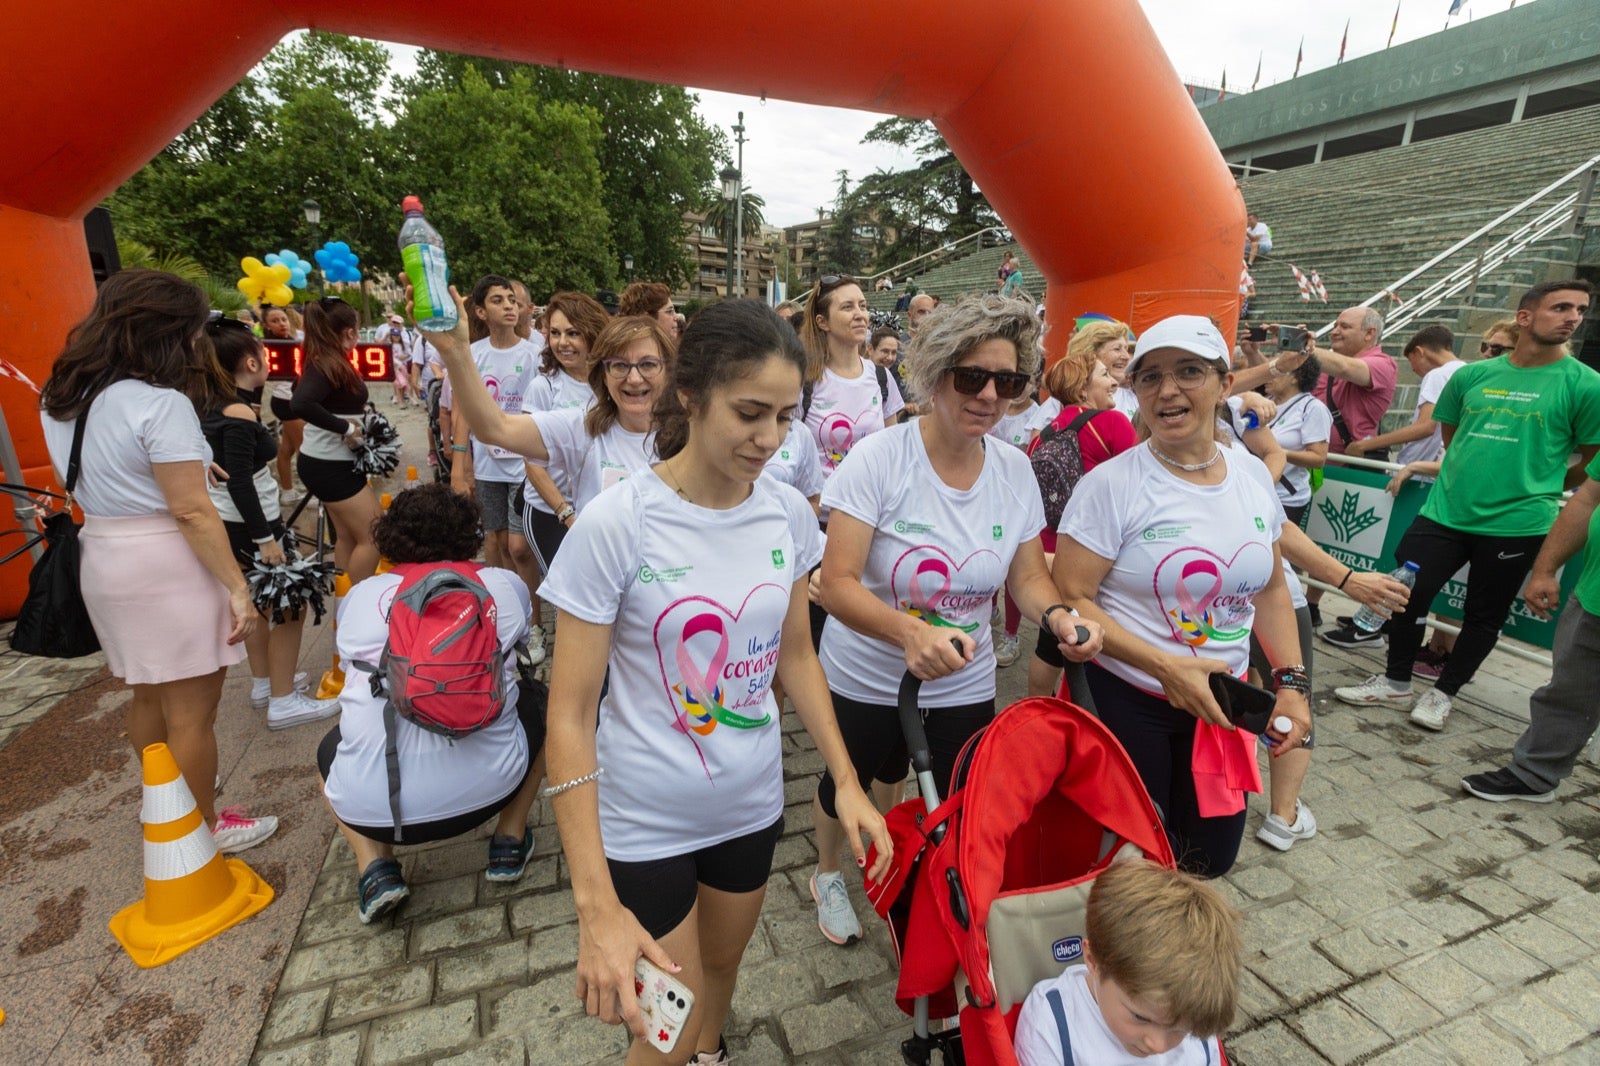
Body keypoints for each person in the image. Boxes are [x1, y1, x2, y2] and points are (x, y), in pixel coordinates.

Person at [533, 297, 892, 1066]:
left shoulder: (790, 514)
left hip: (751, 806)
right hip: (644, 823)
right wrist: (593, 903)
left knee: (720, 979)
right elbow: (567, 716)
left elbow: (797, 657)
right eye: (749, 413)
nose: (769, 439)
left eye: (786, 417)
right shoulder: (616, 523)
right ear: (689, 396)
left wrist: (846, 779)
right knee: (664, 1030)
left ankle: (713, 1055)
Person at [809, 294, 1106, 945]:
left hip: (961, 683)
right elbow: (836, 583)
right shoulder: (879, 459)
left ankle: (908, 880)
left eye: (1008, 381)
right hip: (865, 673)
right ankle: (829, 871)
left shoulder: (1012, 470)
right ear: (936, 372)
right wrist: (910, 633)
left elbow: (1026, 577)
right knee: (846, 785)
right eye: (972, 376)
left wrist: (1057, 616)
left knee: (940, 801)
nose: (990, 395)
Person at [1053, 315, 1312, 877]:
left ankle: (1168, 949)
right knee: (1128, 861)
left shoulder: (1249, 474)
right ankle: (1120, 958)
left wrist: (1291, 684)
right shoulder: (1111, 486)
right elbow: (1073, 594)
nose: (1167, 390)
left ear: (1224, 385)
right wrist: (1166, 667)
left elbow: (1269, 587)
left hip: (1221, 705)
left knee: (1208, 860)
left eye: (1189, 372)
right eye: (1149, 377)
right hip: (1127, 697)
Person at [39, 269, 274, 853]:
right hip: (167, 561)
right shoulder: (159, 402)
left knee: (147, 695)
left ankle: (167, 803)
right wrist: (237, 587)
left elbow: (113, 468)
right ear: (169, 332)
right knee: (193, 712)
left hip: (106, 555)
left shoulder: (64, 397)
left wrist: (194, 464)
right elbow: (193, 513)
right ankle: (203, 833)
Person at [1335, 280, 1600, 731]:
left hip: (1517, 522)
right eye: (1560, 307)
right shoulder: (1471, 376)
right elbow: (1453, 441)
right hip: (1444, 512)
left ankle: (1443, 694)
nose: (1572, 317)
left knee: (1483, 616)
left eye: (1579, 309)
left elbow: (1590, 463)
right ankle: (1396, 680)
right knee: (1402, 594)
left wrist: (1541, 480)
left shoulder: (1587, 384)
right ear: (1525, 317)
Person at [317, 484, 543, 924]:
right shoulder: (501, 585)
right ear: (469, 533)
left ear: (391, 538)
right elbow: (522, 642)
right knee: (542, 703)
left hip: (381, 813)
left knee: (329, 748)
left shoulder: (361, 597)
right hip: (494, 788)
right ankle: (508, 842)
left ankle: (376, 868)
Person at [200, 317, 339, 730]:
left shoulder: (209, 404)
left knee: (256, 603)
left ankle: (265, 683)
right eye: (262, 352)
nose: (267, 358)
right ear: (249, 361)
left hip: (230, 521)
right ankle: (283, 700)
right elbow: (240, 479)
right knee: (287, 606)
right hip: (251, 523)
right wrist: (266, 538)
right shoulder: (237, 410)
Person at [1240, 306, 1398, 626]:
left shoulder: (1381, 364)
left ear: (1370, 333)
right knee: (1308, 541)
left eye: (1345, 326)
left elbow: (1333, 369)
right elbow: (1282, 379)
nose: (1335, 330)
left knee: (1331, 544)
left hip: (1356, 468)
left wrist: (1300, 348)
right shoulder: (1306, 380)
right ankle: (1300, 606)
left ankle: (1303, 608)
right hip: (1325, 471)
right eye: (1335, 324)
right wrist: (1263, 357)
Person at [1461, 450, 1600, 802]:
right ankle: (1534, 774)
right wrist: (1544, 569)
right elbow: (1587, 498)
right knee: (1569, 690)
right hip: (1593, 595)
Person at [1324, 324, 1465, 655]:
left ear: (1419, 352)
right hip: (1438, 476)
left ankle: (1374, 625)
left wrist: (1368, 444)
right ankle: (1381, 620)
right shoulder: (1469, 372)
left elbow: (1425, 427)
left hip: (1422, 478)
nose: (1415, 373)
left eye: (1412, 365)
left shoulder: (1440, 374)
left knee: (1406, 561)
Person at [1012, 859, 1238, 1065]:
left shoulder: (1197, 1023)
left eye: (1179, 1030)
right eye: (1140, 1017)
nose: (1157, 1045)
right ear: (1093, 960)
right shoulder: (1052, 1025)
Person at [1025, 350, 1137, 699]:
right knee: (1092, 639)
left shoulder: (1041, 435)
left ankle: (1037, 708)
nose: (1114, 381)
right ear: (1083, 388)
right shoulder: (1112, 423)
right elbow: (1140, 485)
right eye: (1105, 375)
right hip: (1093, 554)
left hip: (1048, 553)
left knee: (1050, 644)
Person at [448, 275, 542, 619]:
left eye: (511, 300)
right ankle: (502, 613)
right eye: (498, 301)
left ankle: (534, 621)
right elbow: (463, 413)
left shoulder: (535, 355)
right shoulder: (472, 354)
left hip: (524, 465)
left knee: (519, 547)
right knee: (497, 542)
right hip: (488, 466)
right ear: (480, 311)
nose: (508, 306)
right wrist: (460, 466)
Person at [519, 292, 607, 657]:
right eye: (554, 333)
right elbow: (531, 462)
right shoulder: (544, 386)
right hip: (550, 512)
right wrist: (567, 514)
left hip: (601, 508)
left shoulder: (611, 380)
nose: (562, 343)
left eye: (572, 333)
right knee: (570, 597)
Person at [290, 296, 383, 587]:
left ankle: (345, 603)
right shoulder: (323, 363)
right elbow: (301, 403)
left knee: (347, 535)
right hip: (329, 465)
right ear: (350, 332)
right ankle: (360, 604)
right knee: (375, 534)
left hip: (329, 462)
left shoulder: (325, 360)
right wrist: (345, 427)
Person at [799, 274, 906, 479]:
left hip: (870, 507)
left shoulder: (881, 377)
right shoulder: (804, 381)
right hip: (819, 508)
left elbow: (892, 449)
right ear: (823, 322)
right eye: (848, 307)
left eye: (863, 306)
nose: (860, 315)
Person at [1246, 353, 1330, 528]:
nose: (1270, 375)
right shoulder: (1262, 402)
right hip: (1253, 490)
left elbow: (1318, 459)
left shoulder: (1312, 408)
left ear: (1295, 377)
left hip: (1286, 497)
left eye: (1278, 370)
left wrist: (1276, 454)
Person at [262, 305, 304, 506]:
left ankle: (288, 491)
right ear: (266, 325)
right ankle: (314, 492)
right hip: (286, 401)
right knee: (302, 449)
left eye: (283, 319)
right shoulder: (269, 347)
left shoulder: (295, 341)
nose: (281, 323)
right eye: (275, 320)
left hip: (292, 400)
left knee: (286, 449)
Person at [1072, 317, 1139, 421]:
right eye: (1117, 349)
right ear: (1093, 353)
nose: (1126, 357)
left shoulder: (1134, 397)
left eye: (1126, 349)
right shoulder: (1066, 397)